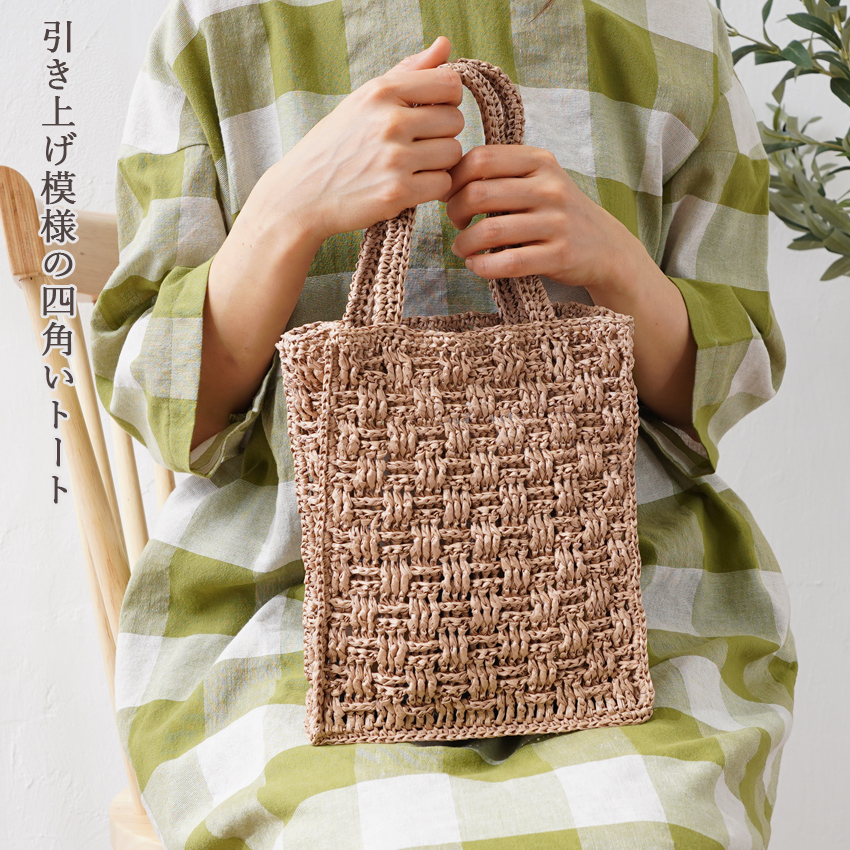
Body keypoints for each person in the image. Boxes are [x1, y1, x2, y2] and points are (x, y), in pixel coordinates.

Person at [91, 1, 796, 848]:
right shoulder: (221, 23)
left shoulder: (670, 24)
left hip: (639, 610)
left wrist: (618, 265)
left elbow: (730, 375)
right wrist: (287, 210)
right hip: (282, 614)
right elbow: (159, 392)